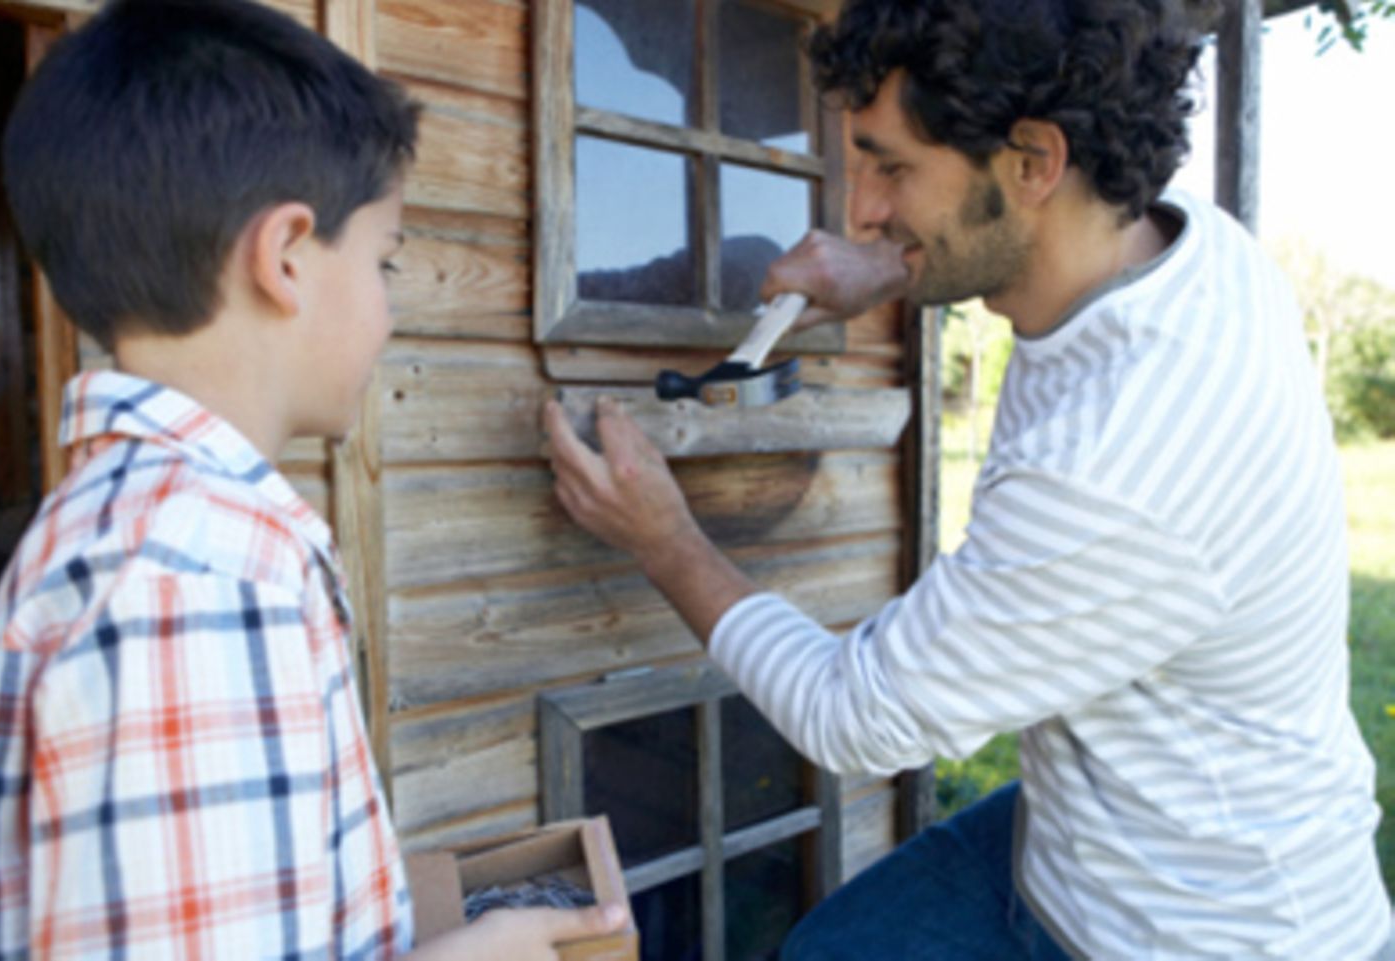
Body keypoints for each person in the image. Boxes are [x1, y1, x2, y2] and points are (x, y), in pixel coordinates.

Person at [544, 0, 1394, 958]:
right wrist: (895, 262)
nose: (858, 205)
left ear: (1033, 162)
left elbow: (849, 714)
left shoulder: (1117, 468)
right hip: (1075, 843)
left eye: (891, 168)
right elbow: (1018, 246)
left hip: (1199, 927)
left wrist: (667, 539)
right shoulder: (1190, 243)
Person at [0, 0, 625, 956]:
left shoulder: (135, 537)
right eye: (384, 262)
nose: (389, 313)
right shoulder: (197, 586)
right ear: (283, 257)